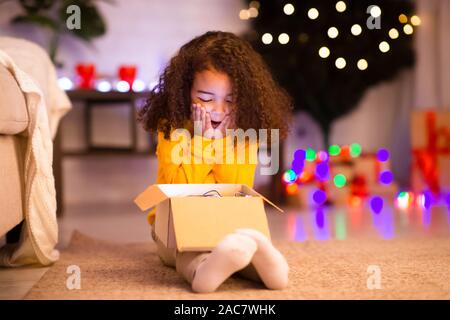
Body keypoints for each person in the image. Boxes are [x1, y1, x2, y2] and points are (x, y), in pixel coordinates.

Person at [138, 31, 292, 293]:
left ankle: (266, 267)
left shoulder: (244, 133)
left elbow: (237, 188)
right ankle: (202, 270)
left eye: (230, 100)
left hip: (227, 222)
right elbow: (179, 190)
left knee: (239, 244)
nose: (218, 110)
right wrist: (203, 142)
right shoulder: (172, 129)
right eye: (206, 99)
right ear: (184, 92)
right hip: (176, 227)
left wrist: (221, 142)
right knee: (187, 252)